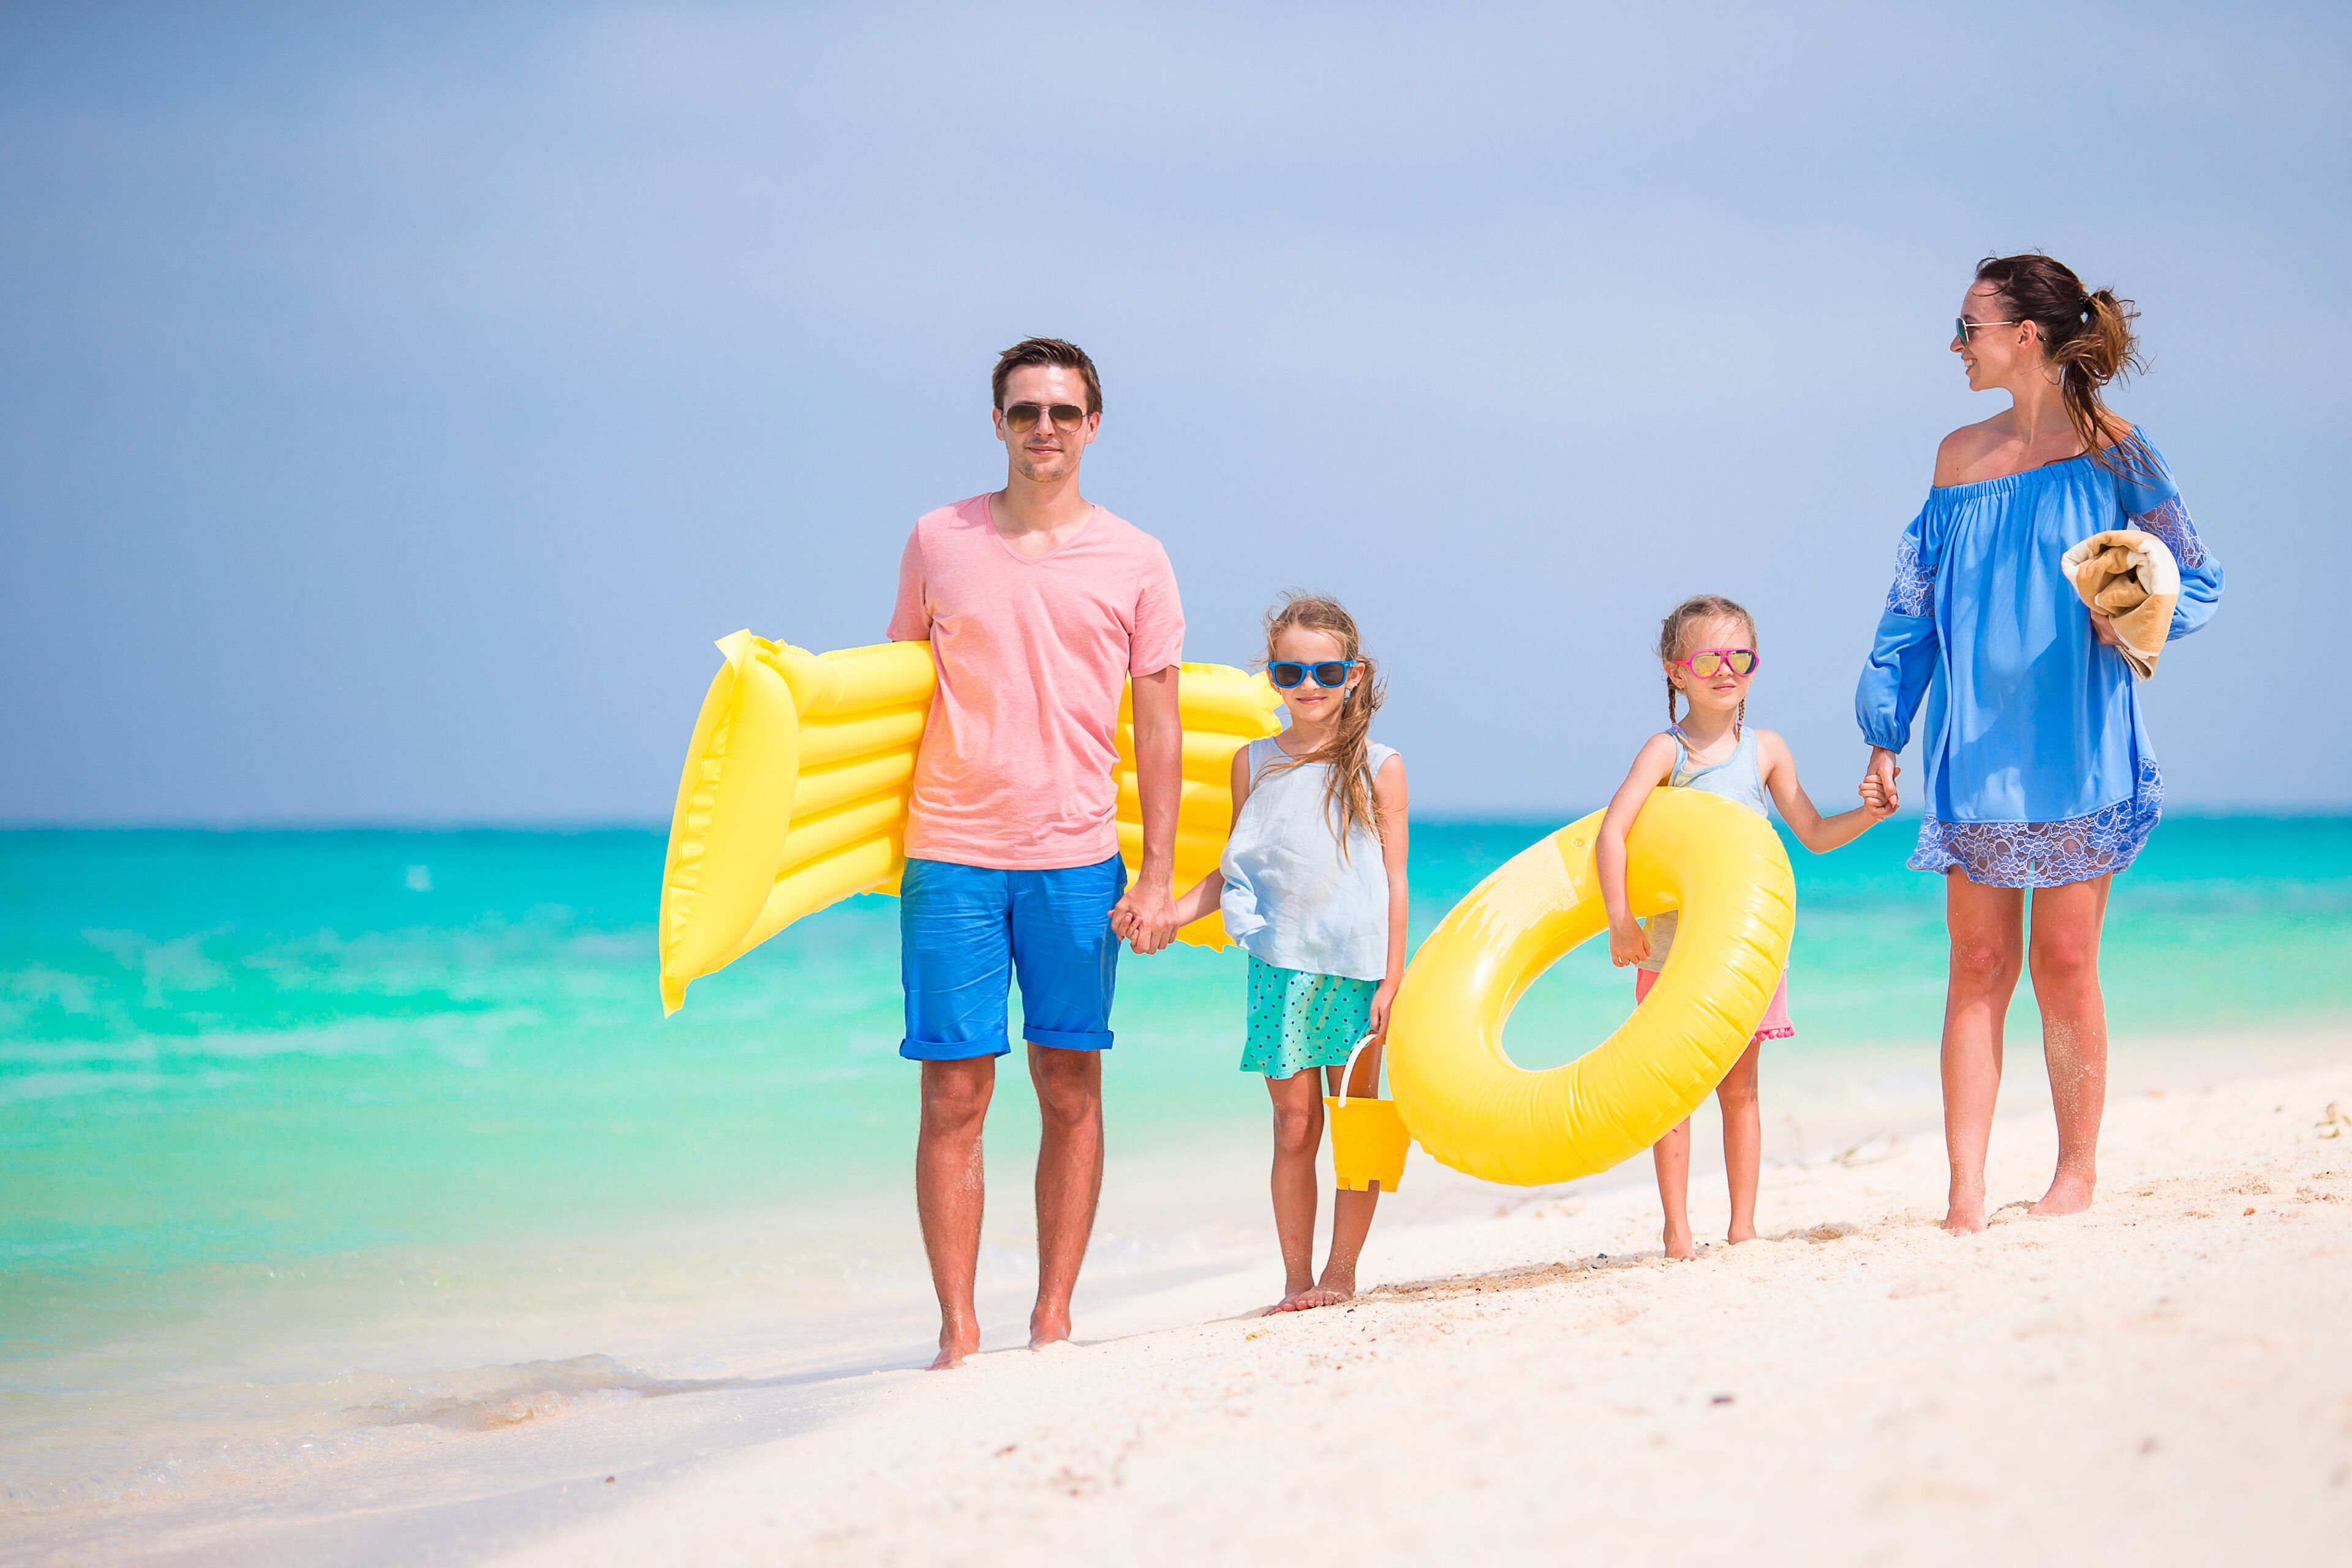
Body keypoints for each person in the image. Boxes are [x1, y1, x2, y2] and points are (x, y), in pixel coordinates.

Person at [1856, 255, 2224, 1234]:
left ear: (2025, 335)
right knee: (1977, 965)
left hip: (2080, 736)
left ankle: (2075, 1175)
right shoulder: (1954, 459)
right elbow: (1912, 610)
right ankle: (1966, 1192)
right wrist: (1886, 729)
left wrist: (2136, 613)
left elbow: (2195, 575)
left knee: (2065, 961)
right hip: (1974, 745)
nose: (1955, 344)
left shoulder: (2116, 450)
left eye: (1969, 326)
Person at [887, 337, 1186, 1368]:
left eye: (1063, 411)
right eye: (1025, 412)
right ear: (1000, 423)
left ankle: (1053, 1317)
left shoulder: (1137, 558)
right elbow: (897, 690)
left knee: (1070, 1084)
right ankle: (959, 1332)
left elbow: (1159, 723)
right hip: (951, 849)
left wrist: (1157, 875)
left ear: (1092, 425)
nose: (1044, 429)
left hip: (1077, 854)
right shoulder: (939, 538)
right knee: (952, 1092)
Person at [1599, 595, 1891, 1260]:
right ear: (1677, 671)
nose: (1726, 669)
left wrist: (1869, 816)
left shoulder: (1766, 751)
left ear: (1755, 667)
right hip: (1672, 949)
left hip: (1745, 954)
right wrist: (1620, 916)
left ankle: (1744, 1227)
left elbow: (1813, 833)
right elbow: (1613, 831)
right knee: (1672, 1093)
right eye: (1709, 657)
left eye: (1741, 656)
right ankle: (1677, 1231)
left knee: (1741, 1088)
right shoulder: (1666, 752)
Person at [1148, 594, 1408, 1310]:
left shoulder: (1380, 767)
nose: (1310, 687)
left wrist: (1393, 976)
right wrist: (1170, 913)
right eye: (1291, 672)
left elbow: (1396, 879)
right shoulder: (1252, 763)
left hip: (1358, 973)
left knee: (1356, 1123)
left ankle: (1342, 1274)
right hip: (1279, 968)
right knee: (1294, 1126)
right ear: (1272, 675)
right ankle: (1296, 1280)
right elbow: (1237, 870)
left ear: (1354, 674)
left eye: (1326, 671)